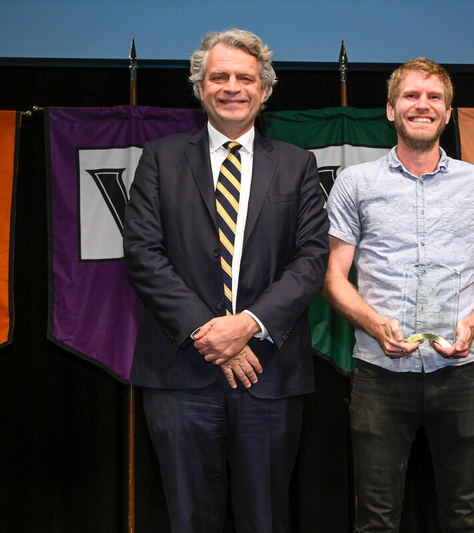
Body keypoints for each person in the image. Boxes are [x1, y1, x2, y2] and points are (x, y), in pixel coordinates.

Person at [123, 29, 329, 532]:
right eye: (219, 77)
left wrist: (248, 325)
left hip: (270, 374)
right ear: (199, 87)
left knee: (266, 520)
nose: (232, 87)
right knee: (190, 519)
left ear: (265, 90)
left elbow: (311, 260)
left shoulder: (298, 165)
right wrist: (209, 331)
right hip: (179, 375)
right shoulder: (160, 158)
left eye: (245, 78)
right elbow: (142, 255)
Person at [323, 58, 474, 533]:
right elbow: (333, 277)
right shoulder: (355, 183)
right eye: (411, 96)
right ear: (390, 110)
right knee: (375, 519)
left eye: (434, 97)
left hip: (462, 372)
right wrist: (376, 326)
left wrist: (471, 326)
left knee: (466, 516)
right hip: (379, 373)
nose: (422, 105)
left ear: (448, 113)